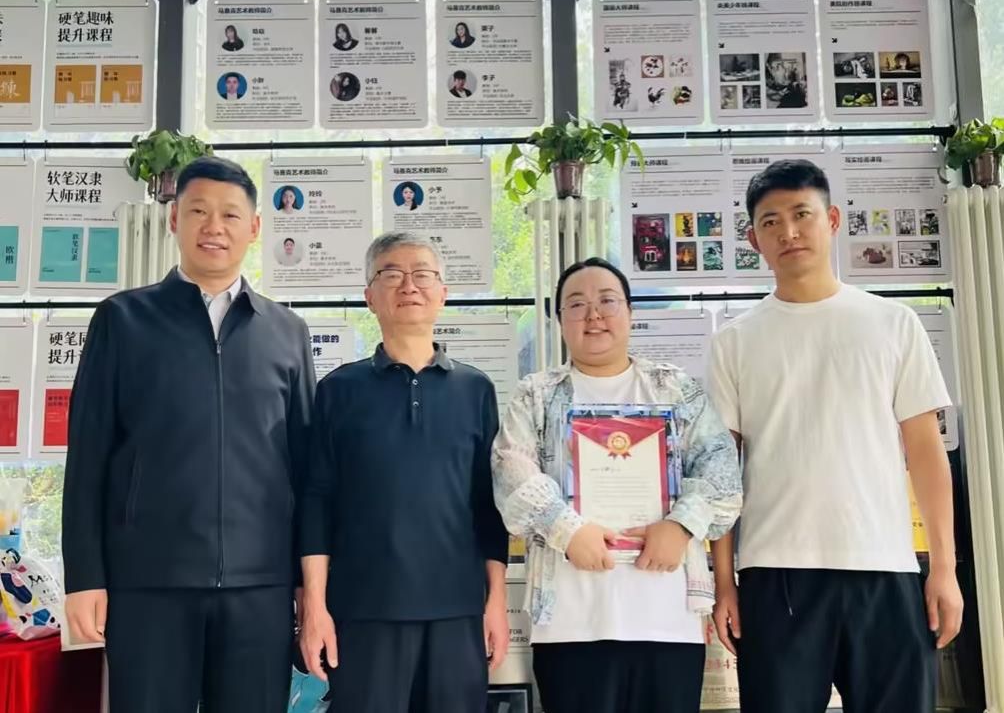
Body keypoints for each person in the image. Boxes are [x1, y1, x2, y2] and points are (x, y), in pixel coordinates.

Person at [62, 156, 316, 713]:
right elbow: (87, 459)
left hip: (261, 587)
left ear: (254, 227)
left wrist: (307, 584)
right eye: (199, 211)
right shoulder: (123, 320)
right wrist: (83, 577)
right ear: (175, 219)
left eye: (230, 214)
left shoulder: (286, 332)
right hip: (147, 582)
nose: (214, 227)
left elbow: (305, 468)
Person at [708, 160, 963, 713]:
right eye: (771, 221)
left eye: (802, 214)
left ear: (833, 220)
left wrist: (943, 568)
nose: (788, 231)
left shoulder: (893, 323)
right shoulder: (734, 341)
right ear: (754, 240)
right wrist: (723, 583)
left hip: (884, 565)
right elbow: (720, 470)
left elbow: (926, 453)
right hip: (775, 572)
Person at [491, 257, 742, 713]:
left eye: (607, 301)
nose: (594, 315)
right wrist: (568, 530)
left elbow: (721, 467)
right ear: (559, 319)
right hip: (570, 622)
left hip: (667, 618)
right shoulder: (536, 395)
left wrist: (681, 525)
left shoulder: (674, 389)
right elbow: (512, 471)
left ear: (629, 311)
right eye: (576, 304)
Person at [298, 232, 509, 713]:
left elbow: (487, 505)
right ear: (369, 296)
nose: (409, 285)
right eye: (391, 274)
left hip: (457, 611)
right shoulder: (338, 390)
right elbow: (316, 501)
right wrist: (315, 606)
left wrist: (496, 601)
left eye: (422, 274)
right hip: (363, 610)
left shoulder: (476, 389)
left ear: (443, 293)